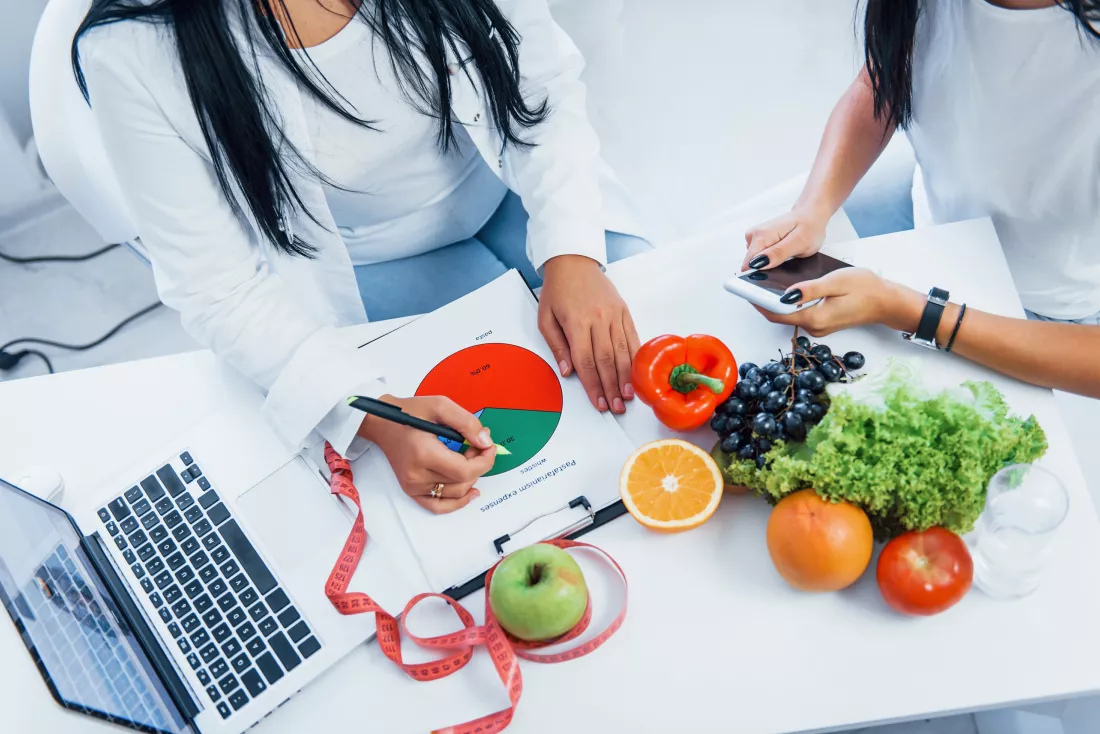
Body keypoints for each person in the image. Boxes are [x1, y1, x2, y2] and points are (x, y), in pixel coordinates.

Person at [74, 0, 650, 513]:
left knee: (654, 342)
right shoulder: (132, 53)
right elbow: (217, 288)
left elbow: (542, 85)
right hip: (368, 265)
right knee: (485, 479)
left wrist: (572, 252)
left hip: (513, 186)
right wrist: (376, 416)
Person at [742, 0, 1100, 398]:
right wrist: (812, 208)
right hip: (937, 226)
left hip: (1054, 315)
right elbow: (880, 80)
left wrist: (912, 312)